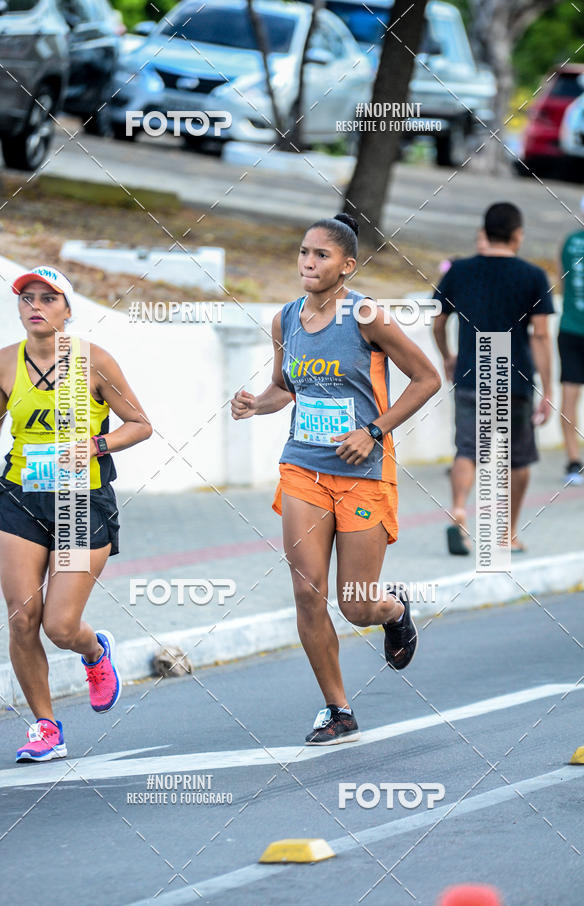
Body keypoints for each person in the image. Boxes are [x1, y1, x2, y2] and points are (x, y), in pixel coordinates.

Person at [231, 214, 441, 745]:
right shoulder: (286, 320)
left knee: (355, 604)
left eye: (321, 255)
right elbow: (285, 387)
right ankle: (337, 709)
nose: (308, 261)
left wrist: (374, 430)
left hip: (362, 474)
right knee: (307, 592)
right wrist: (258, 403)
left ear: (347, 266)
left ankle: (391, 609)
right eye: (304, 252)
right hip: (303, 467)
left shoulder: (366, 315)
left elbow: (427, 378)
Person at [0, 266, 152, 762]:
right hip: (20, 496)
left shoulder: (93, 361)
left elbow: (140, 425)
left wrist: (97, 444)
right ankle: (45, 727)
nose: (35, 306)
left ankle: (95, 651)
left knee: (59, 626)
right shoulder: (1, 365)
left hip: (81, 501)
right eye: (26, 299)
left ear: (67, 310)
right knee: (21, 620)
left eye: (47, 299)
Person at [432, 202, 554, 555]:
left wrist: (447, 357)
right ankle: (507, 533)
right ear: (518, 234)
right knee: (519, 459)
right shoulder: (533, 276)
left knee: (467, 451)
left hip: (471, 376)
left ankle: (458, 513)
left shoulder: (460, 271)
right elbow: (542, 336)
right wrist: (546, 389)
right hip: (514, 382)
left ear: (485, 231)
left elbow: (438, 321)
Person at [557, 211, 584, 486]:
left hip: (570, 328)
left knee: (570, 395)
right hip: (573, 329)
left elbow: (561, 281)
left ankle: (574, 460)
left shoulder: (568, 242)